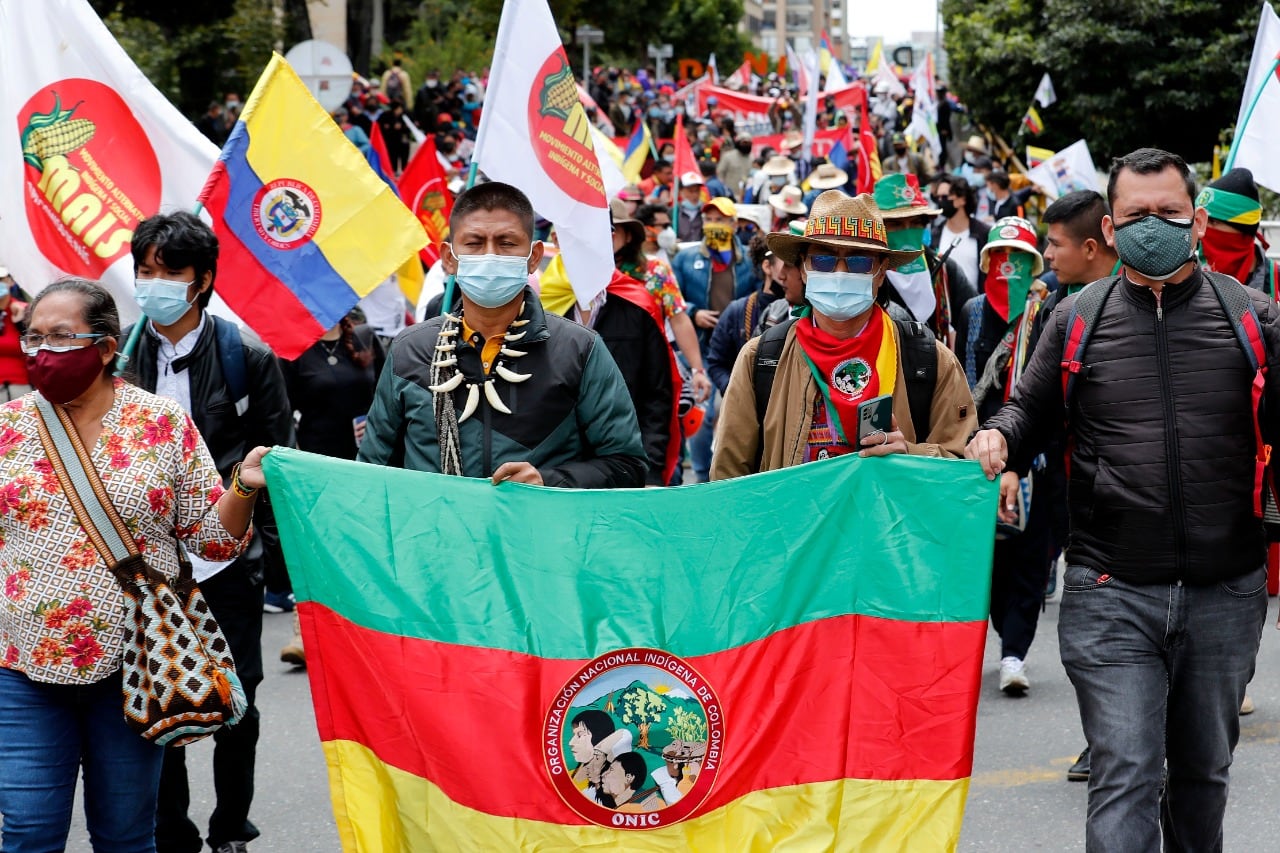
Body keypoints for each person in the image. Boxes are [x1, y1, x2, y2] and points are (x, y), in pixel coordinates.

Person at [967, 148, 1276, 851]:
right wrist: (996, 437)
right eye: (1136, 214)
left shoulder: (1253, 319)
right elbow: (1028, 411)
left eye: (1168, 212)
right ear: (1109, 227)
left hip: (1225, 590)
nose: (1154, 225)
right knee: (1125, 770)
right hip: (1110, 591)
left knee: (1202, 777)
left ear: (1197, 221)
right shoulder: (1075, 318)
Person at [0, 278, 265, 853]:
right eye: (35, 338)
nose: (44, 351)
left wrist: (242, 488)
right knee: (26, 830)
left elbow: (214, 543)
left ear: (105, 347)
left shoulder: (162, 424)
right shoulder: (8, 430)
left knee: (124, 835)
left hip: (136, 667)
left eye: (62, 337)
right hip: (22, 666)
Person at [125, 212, 295, 853]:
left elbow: (279, 460)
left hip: (229, 559)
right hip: (145, 566)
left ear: (202, 282)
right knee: (159, 696)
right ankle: (172, 829)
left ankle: (232, 826)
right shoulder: (118, 359)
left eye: (170, 272)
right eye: (146, 271)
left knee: (237, 698)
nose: (155, 284)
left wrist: (278, 565)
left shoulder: (246, 356)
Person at [357, 182, 646, 488]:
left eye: (507, 243)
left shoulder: (578, 350)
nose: (490, 256)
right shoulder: (410, 351)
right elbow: (372, 473)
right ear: (449, 257)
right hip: (435, 533)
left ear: (533, 257)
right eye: (474, 243)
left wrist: (549, 481)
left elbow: (626, 464)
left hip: (538, 533)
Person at [711, 191, 977, 479]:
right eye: (823, 261)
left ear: (881, 271)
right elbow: (727, 482)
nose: (839, 273)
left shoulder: (930, 360)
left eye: (859, 262)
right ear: (802, 268)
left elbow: (963, 470)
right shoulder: (760, 359)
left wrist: (910, 455)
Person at [1033, 189, 1121, 784]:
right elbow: (1028, 398)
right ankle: (1109, 740)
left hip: (1144, 511)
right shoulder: (1058, 309)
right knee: (1091, 645)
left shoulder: (1157, 301)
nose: (1046, 254)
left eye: (1055, 244)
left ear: (1091, 247)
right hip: (1078, 498)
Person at [953, 217, 1052, 696]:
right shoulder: (972, 311)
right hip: (980, 453)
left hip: (1035, 455)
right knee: (987, 558)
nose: (1007, 267)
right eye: (999, 257)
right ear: (987, 260)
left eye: (1018, 259)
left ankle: (1015, 653)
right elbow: (964, 383)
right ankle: (1001, 633)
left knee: (1029, 560)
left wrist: (1023, 459)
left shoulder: (1047, 312)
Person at [552, 203, 681, 487]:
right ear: (556, 239)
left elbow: (656, 396)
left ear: (611, 238)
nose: (585, 244)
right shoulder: (540, 304)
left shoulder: (638, 305)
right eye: (573, 235)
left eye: (594, 234)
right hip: (551, 475)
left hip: (622, 469)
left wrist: (652, 471)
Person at [671, 197, 760, 482]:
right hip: (700, 348)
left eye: (721, 220)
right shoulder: (685, 259)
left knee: (742, 414)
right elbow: (674, 301)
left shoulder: (748, 259)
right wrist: (695, 313)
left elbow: (761, 298)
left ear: (734, 225)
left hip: (740, 348)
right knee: (702, 414)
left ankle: (736, 475)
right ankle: (701, 476)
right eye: (709, 219)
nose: (714, 225)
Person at [873, 173, 975, 349]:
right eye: (896, 224)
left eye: (915, 223)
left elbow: (975, 318)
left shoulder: (943, 269)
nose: (907, 231)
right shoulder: (868, 272)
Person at [706, 233, 804, 395]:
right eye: (784, 264)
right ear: (767, 266)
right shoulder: (738, 310)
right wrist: (736, 392)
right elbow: (716, 362)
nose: (782, 275)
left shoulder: (804, 310)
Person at [1198, 167, 1279, 296]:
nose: (1202, 229)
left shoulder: (1275, 283)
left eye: (1213, 222)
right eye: (1200, 220)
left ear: (1243, 230)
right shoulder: (1186, 278)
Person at [932, 175, 989, 294]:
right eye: (938, 197)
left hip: (976, 305)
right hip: (945, 307)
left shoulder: (983, 233)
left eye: (945, 197)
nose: (940, 201)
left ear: (962, 199)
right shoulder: (935, 233)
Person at [716, 133, 754, 200]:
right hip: (730, 195)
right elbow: (720, 173)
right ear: (738, 143)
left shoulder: (752, 158)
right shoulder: (728, 156)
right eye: (744, 143)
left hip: (746, 196)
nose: (746, 145)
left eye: (748, 143)